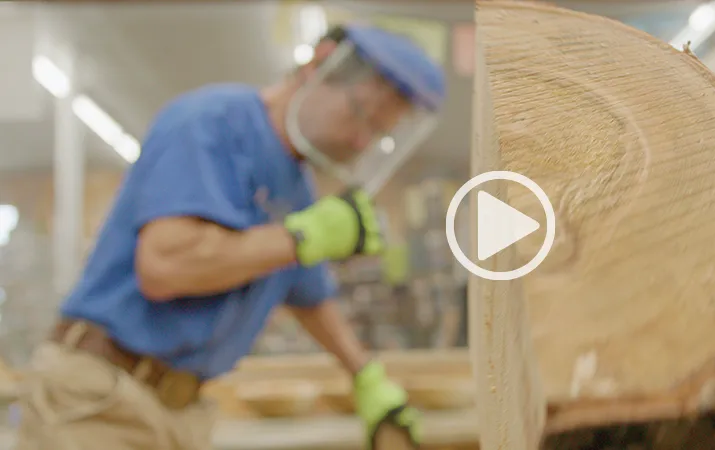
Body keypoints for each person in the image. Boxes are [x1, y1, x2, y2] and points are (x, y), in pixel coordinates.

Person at [13, 23, 445, 450]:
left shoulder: (296, 188)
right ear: (319, 66)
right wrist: (299, 237)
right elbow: (165, 267)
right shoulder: (209, 123)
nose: (359, 140)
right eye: (361, 114)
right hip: (99, 398)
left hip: (181, 412)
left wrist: (367, 378)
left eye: (378, 135)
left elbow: (311, 297)